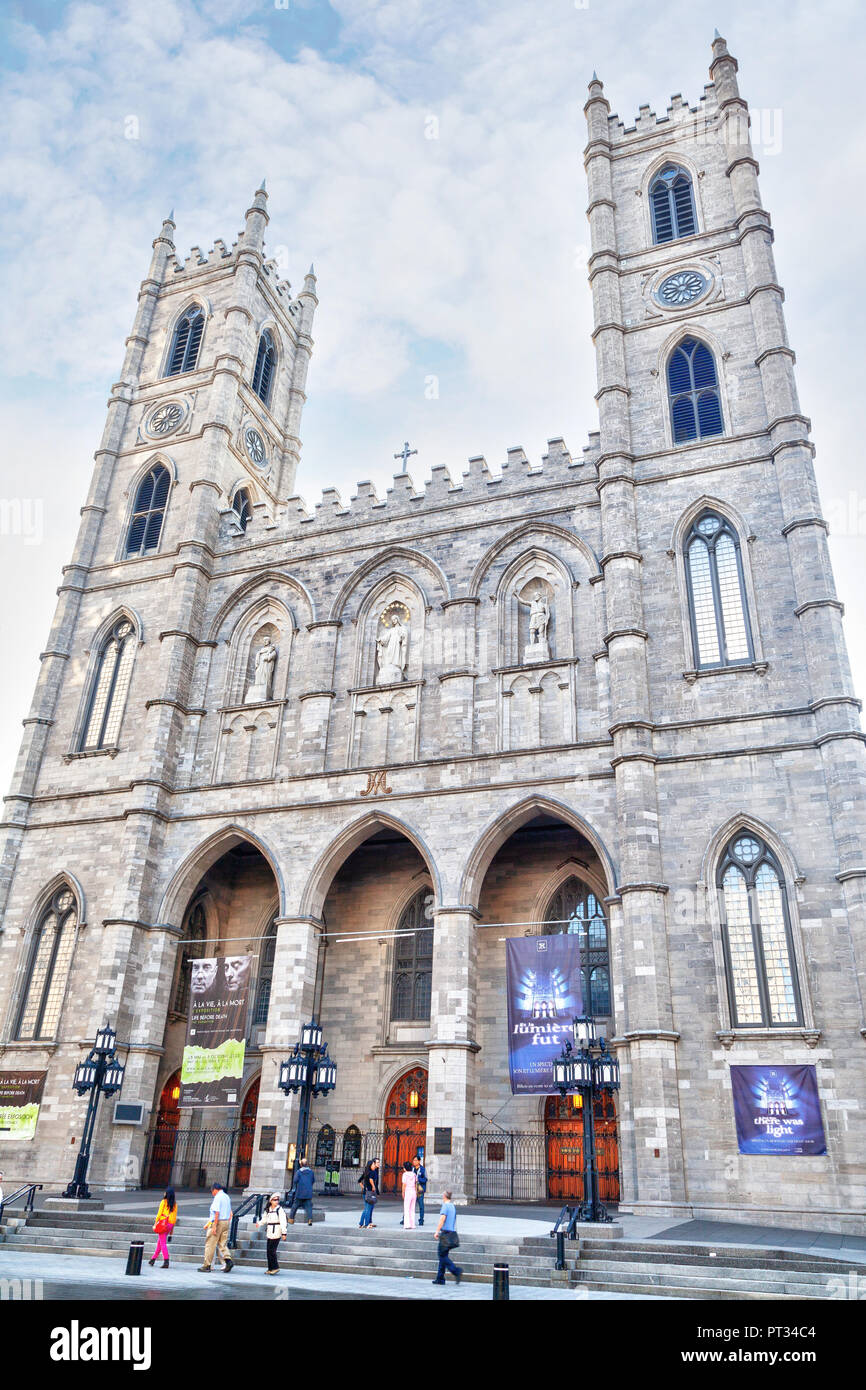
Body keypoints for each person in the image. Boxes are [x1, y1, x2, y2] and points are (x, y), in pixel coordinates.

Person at [199, 1182, 233, 1272]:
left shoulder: (218, 1197)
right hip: (226, 1221)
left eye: (212, 1191)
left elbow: (216, 1212)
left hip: (218, 1222)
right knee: (222, 1243)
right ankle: (228, 1260)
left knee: (210, 1244)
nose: (212, 1193)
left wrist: (214, 1226)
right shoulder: (226, 1196)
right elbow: (230, 1212)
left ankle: (207, 1265)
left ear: (215, 1189)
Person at [432, 1189, 463, 1285]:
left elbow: (442, 1219)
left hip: (445, 1234)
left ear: (444, 1196)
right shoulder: (452, 1206)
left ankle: (456, 1271)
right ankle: (440, 1278)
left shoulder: (445, 1206)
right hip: (451, 1233)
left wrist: (437, 1231)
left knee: (442, 1255)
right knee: (443, 1255)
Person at [257, 1192, 287, 1274]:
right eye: (274, 1200)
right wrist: (259, 1223)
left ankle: (275, 1267)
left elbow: (283, 1222)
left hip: (277, 1230)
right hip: (270, 1231)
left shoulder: (279, 1210)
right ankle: (270, 1268)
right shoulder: (268, 1209)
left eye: (277, 1200)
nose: (276, 1201)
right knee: (268, 1250)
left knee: (272, 1250)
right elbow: (264, 1219)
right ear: (271, 1201)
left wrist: (284, 1233)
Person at [149, 1186, 177, 1268]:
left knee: (163, 1243)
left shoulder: (163, 1202)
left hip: (163, 1224)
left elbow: (159, 1214)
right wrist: (172, 1230)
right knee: (160, 1242)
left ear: (167, 1194)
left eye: (165, 1192)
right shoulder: (175, 1204)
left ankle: (166, 1261)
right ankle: (153, 1259)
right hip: (170, 1225)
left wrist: (155, 1223)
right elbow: (174, 1218)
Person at [288, 1158, 315, 1224]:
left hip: (300, 1192)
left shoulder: (299, 1172)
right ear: (307, 1164)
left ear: (301, 1164)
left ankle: (291, 1219)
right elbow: (313, 1180)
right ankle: (310, 1220)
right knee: (309, 1207)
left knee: (295, 1206)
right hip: (308, 1192)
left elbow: (295, 1180)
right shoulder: (311, 1172)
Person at [358, 1158, 379, 1228]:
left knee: (366, 1209)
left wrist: (363, 1188)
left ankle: (361, 1223)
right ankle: (367, 1224)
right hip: (370, 1192)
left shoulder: (366, 1172)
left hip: (365, 1193)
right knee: (368, 1209)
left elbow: (359, 1181)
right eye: (373, 1164)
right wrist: (373, 1186)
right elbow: (371, 1180)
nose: (374, 1165)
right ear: (370, 1165)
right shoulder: (372, 1172)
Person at [412, 1154, 428, 1226]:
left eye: (415, 1160)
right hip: (412, 1189)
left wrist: (418, 1179)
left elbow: (425, 1179)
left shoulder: (423, 1169)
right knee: (410, 1205)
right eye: (413, 1160)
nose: (414, 1162)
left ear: (419, 1161)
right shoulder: (412, 1169)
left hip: (420, 1190)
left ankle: (421, 1220)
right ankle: (405, 1219)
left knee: (421, 1205)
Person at [401, 1159, 417, 1229]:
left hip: (408, 1191)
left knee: (406, 1208)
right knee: (412, 1209)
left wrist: (403, 1192)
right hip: (413, 1191)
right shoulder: (414, 1174)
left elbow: (404, 1185)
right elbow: (416, 1183)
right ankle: (412, 1224)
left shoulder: (405, 1174)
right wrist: (416, 1192)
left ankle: (407, 1224)